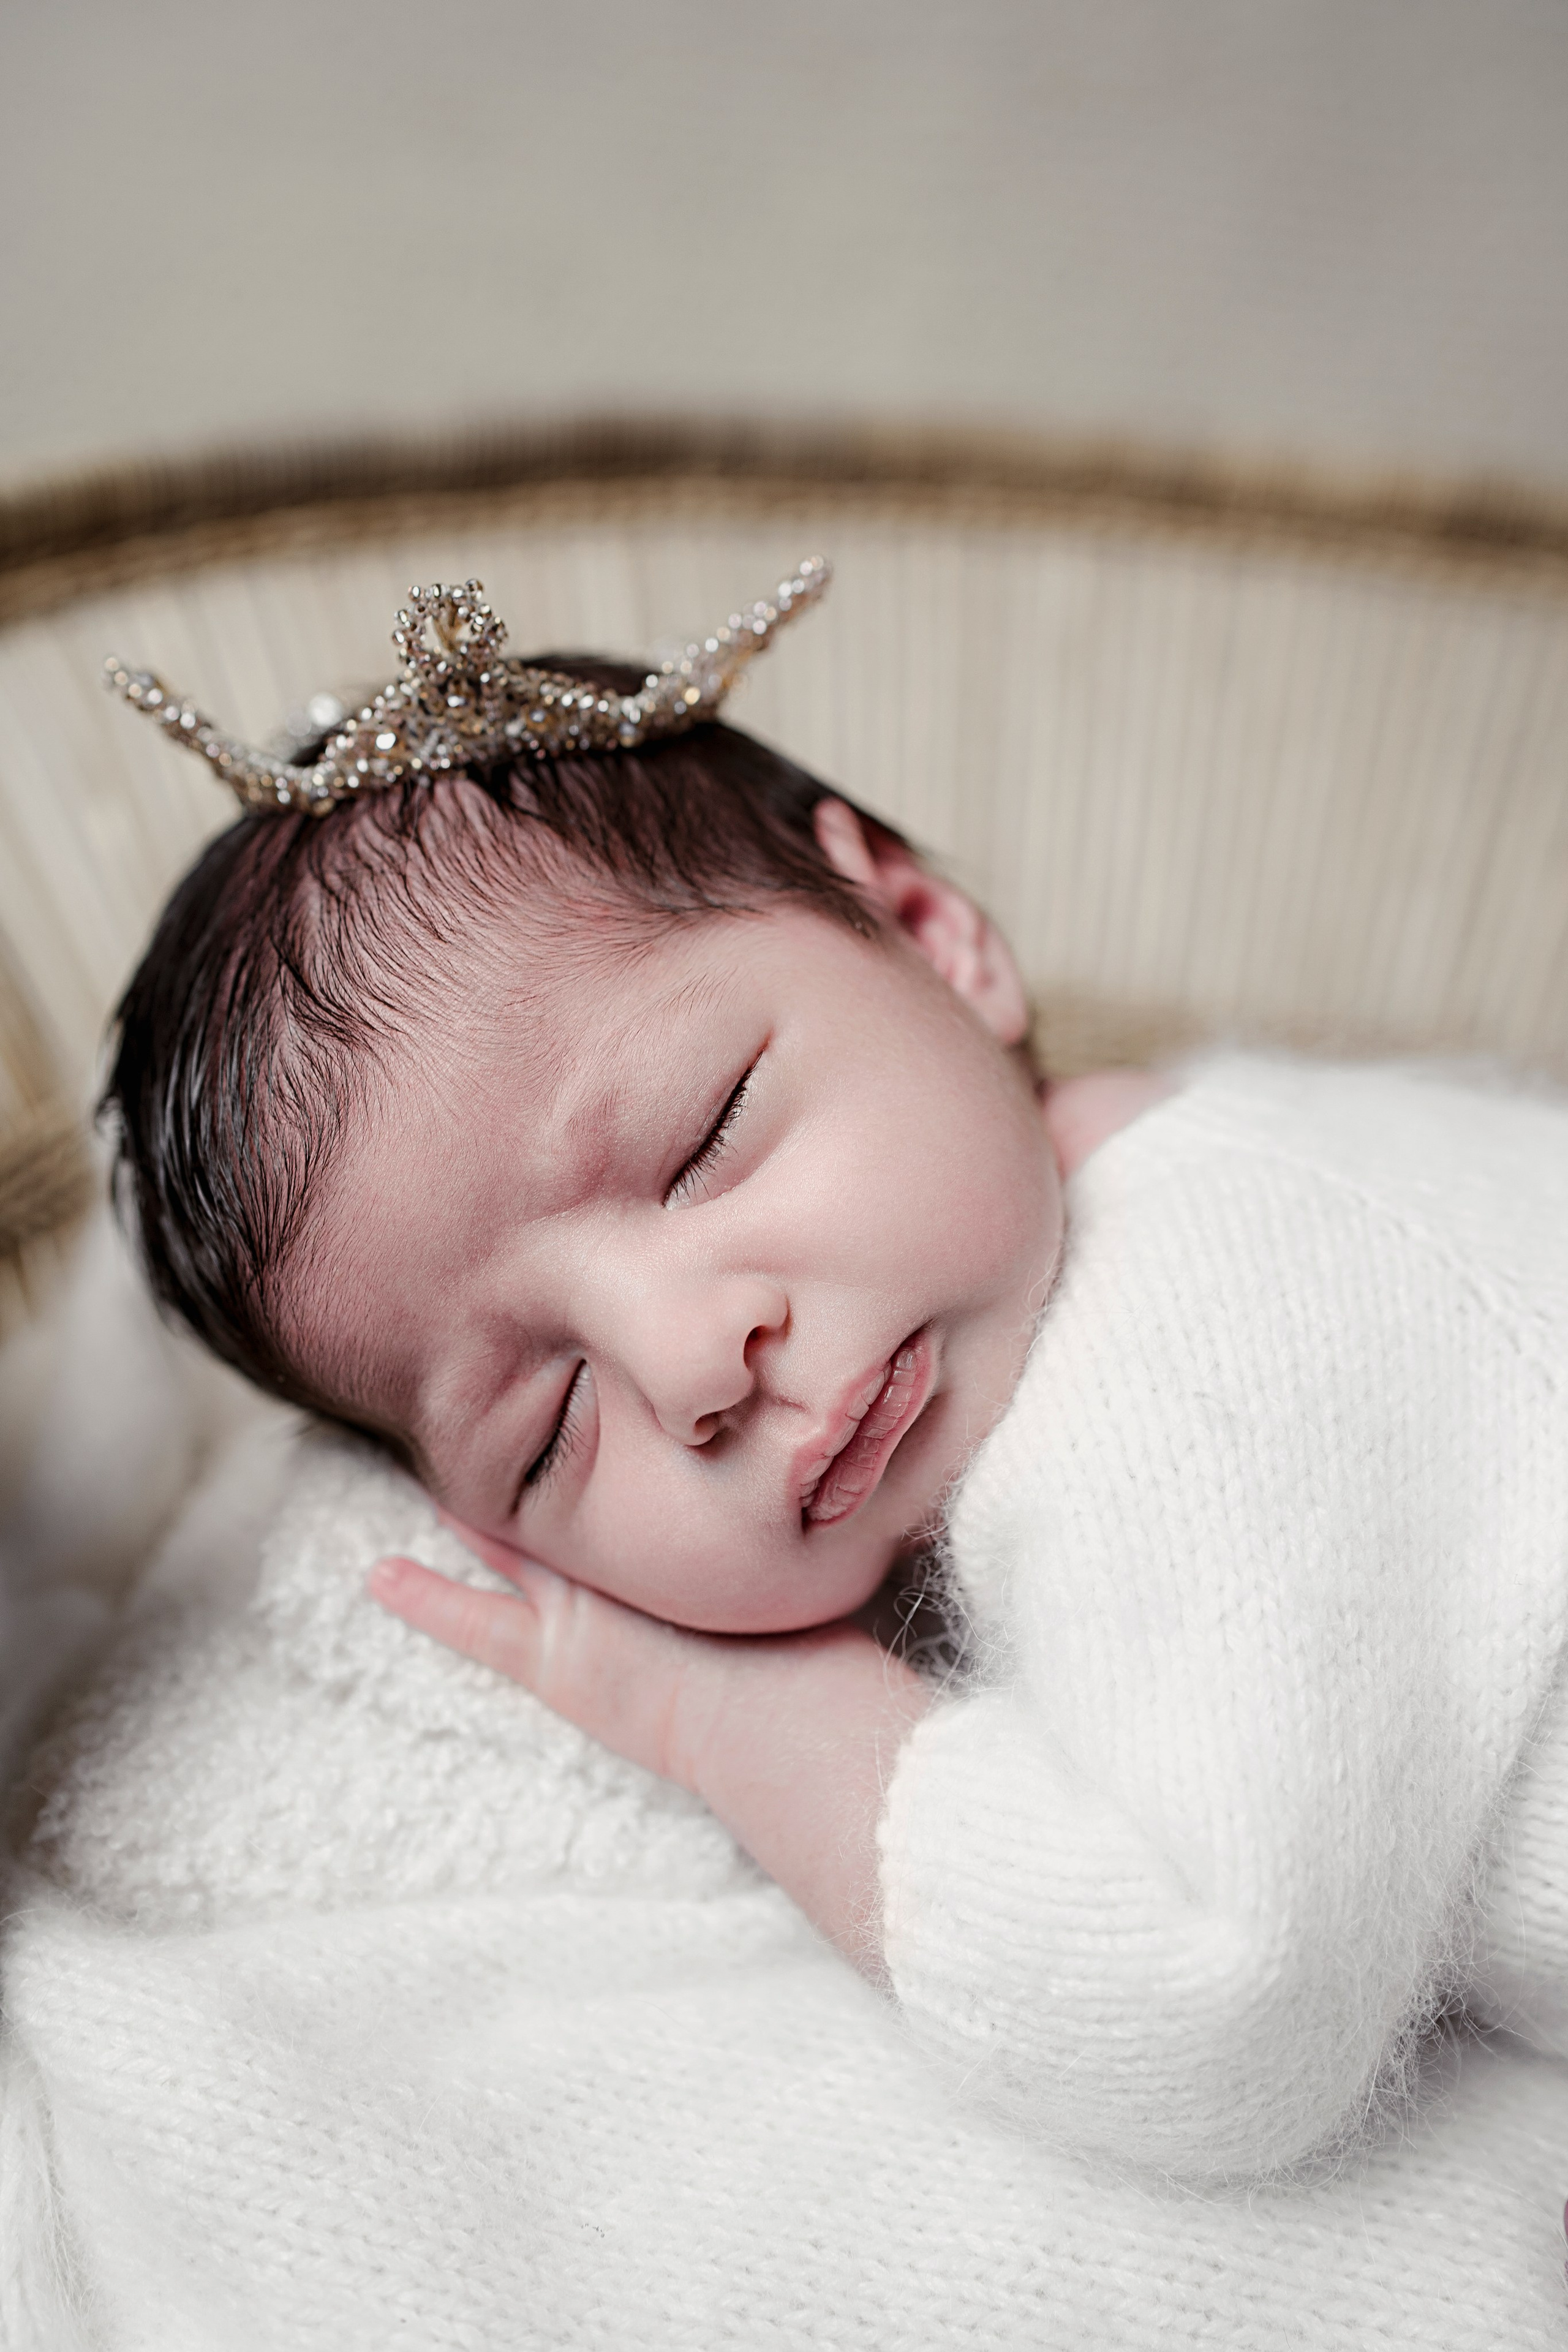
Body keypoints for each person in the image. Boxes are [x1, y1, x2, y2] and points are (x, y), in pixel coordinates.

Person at [100, 562, 1568, 2182]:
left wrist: (719, 1707)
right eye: (549, 1429)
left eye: (705, 1140)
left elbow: (1201, 1995)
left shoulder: (1216, 1335)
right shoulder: (1112, 1232)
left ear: (937, 941)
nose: (688, 1368)